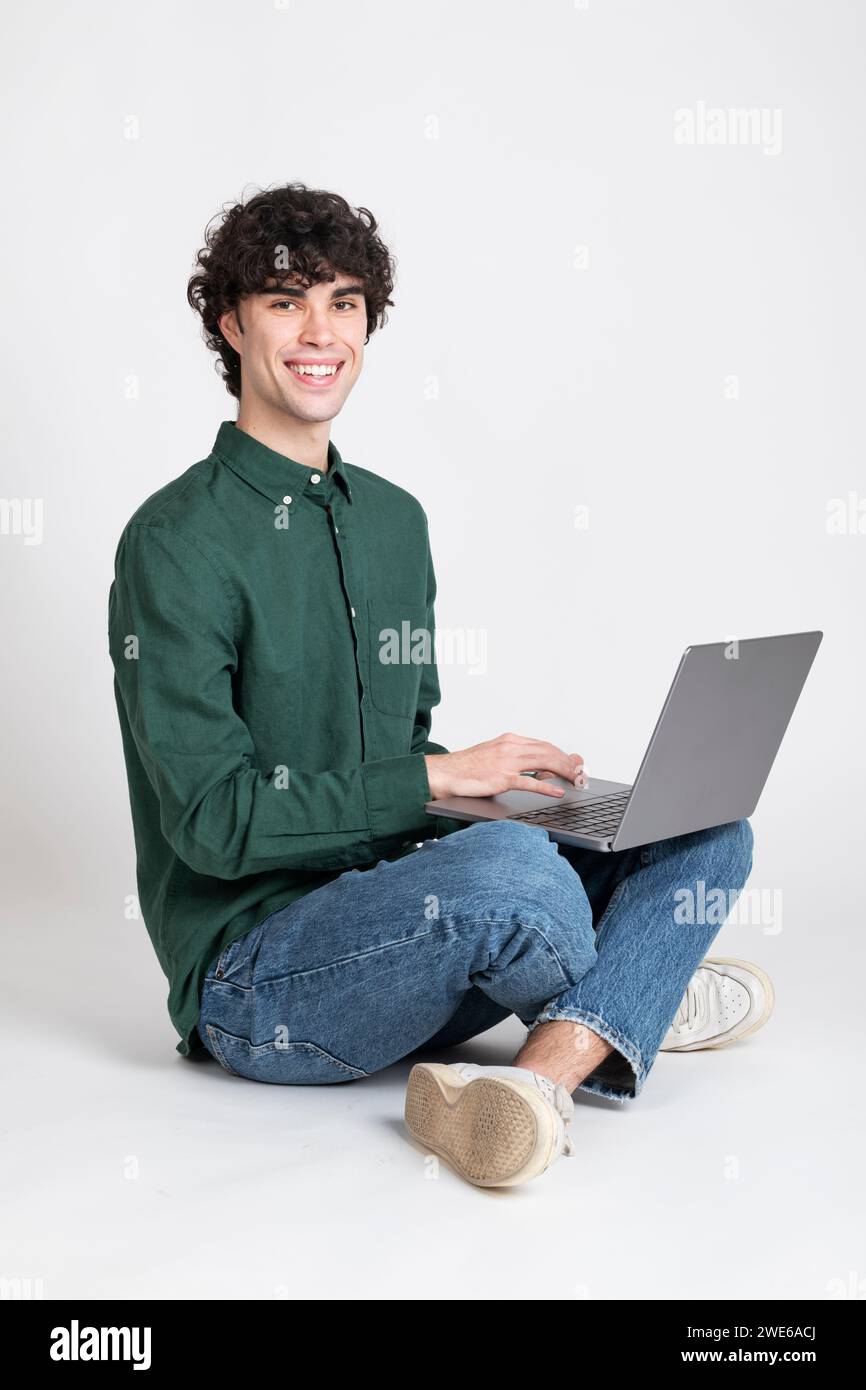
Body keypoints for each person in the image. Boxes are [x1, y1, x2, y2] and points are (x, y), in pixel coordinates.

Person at [108, 182, 773, 1190]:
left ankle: (537, 1078)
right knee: (516, 875)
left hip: (403, 921)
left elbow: (401, 764)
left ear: (368, 322)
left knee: (702, 829)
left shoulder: (394, 522)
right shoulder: (175, 542)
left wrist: (497, 791)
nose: (317, 330)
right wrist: (438, 785)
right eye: (285, 301)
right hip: (256, 981)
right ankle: (623, 1001)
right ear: (230, 320)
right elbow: (213, 822)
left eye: (341, 301)